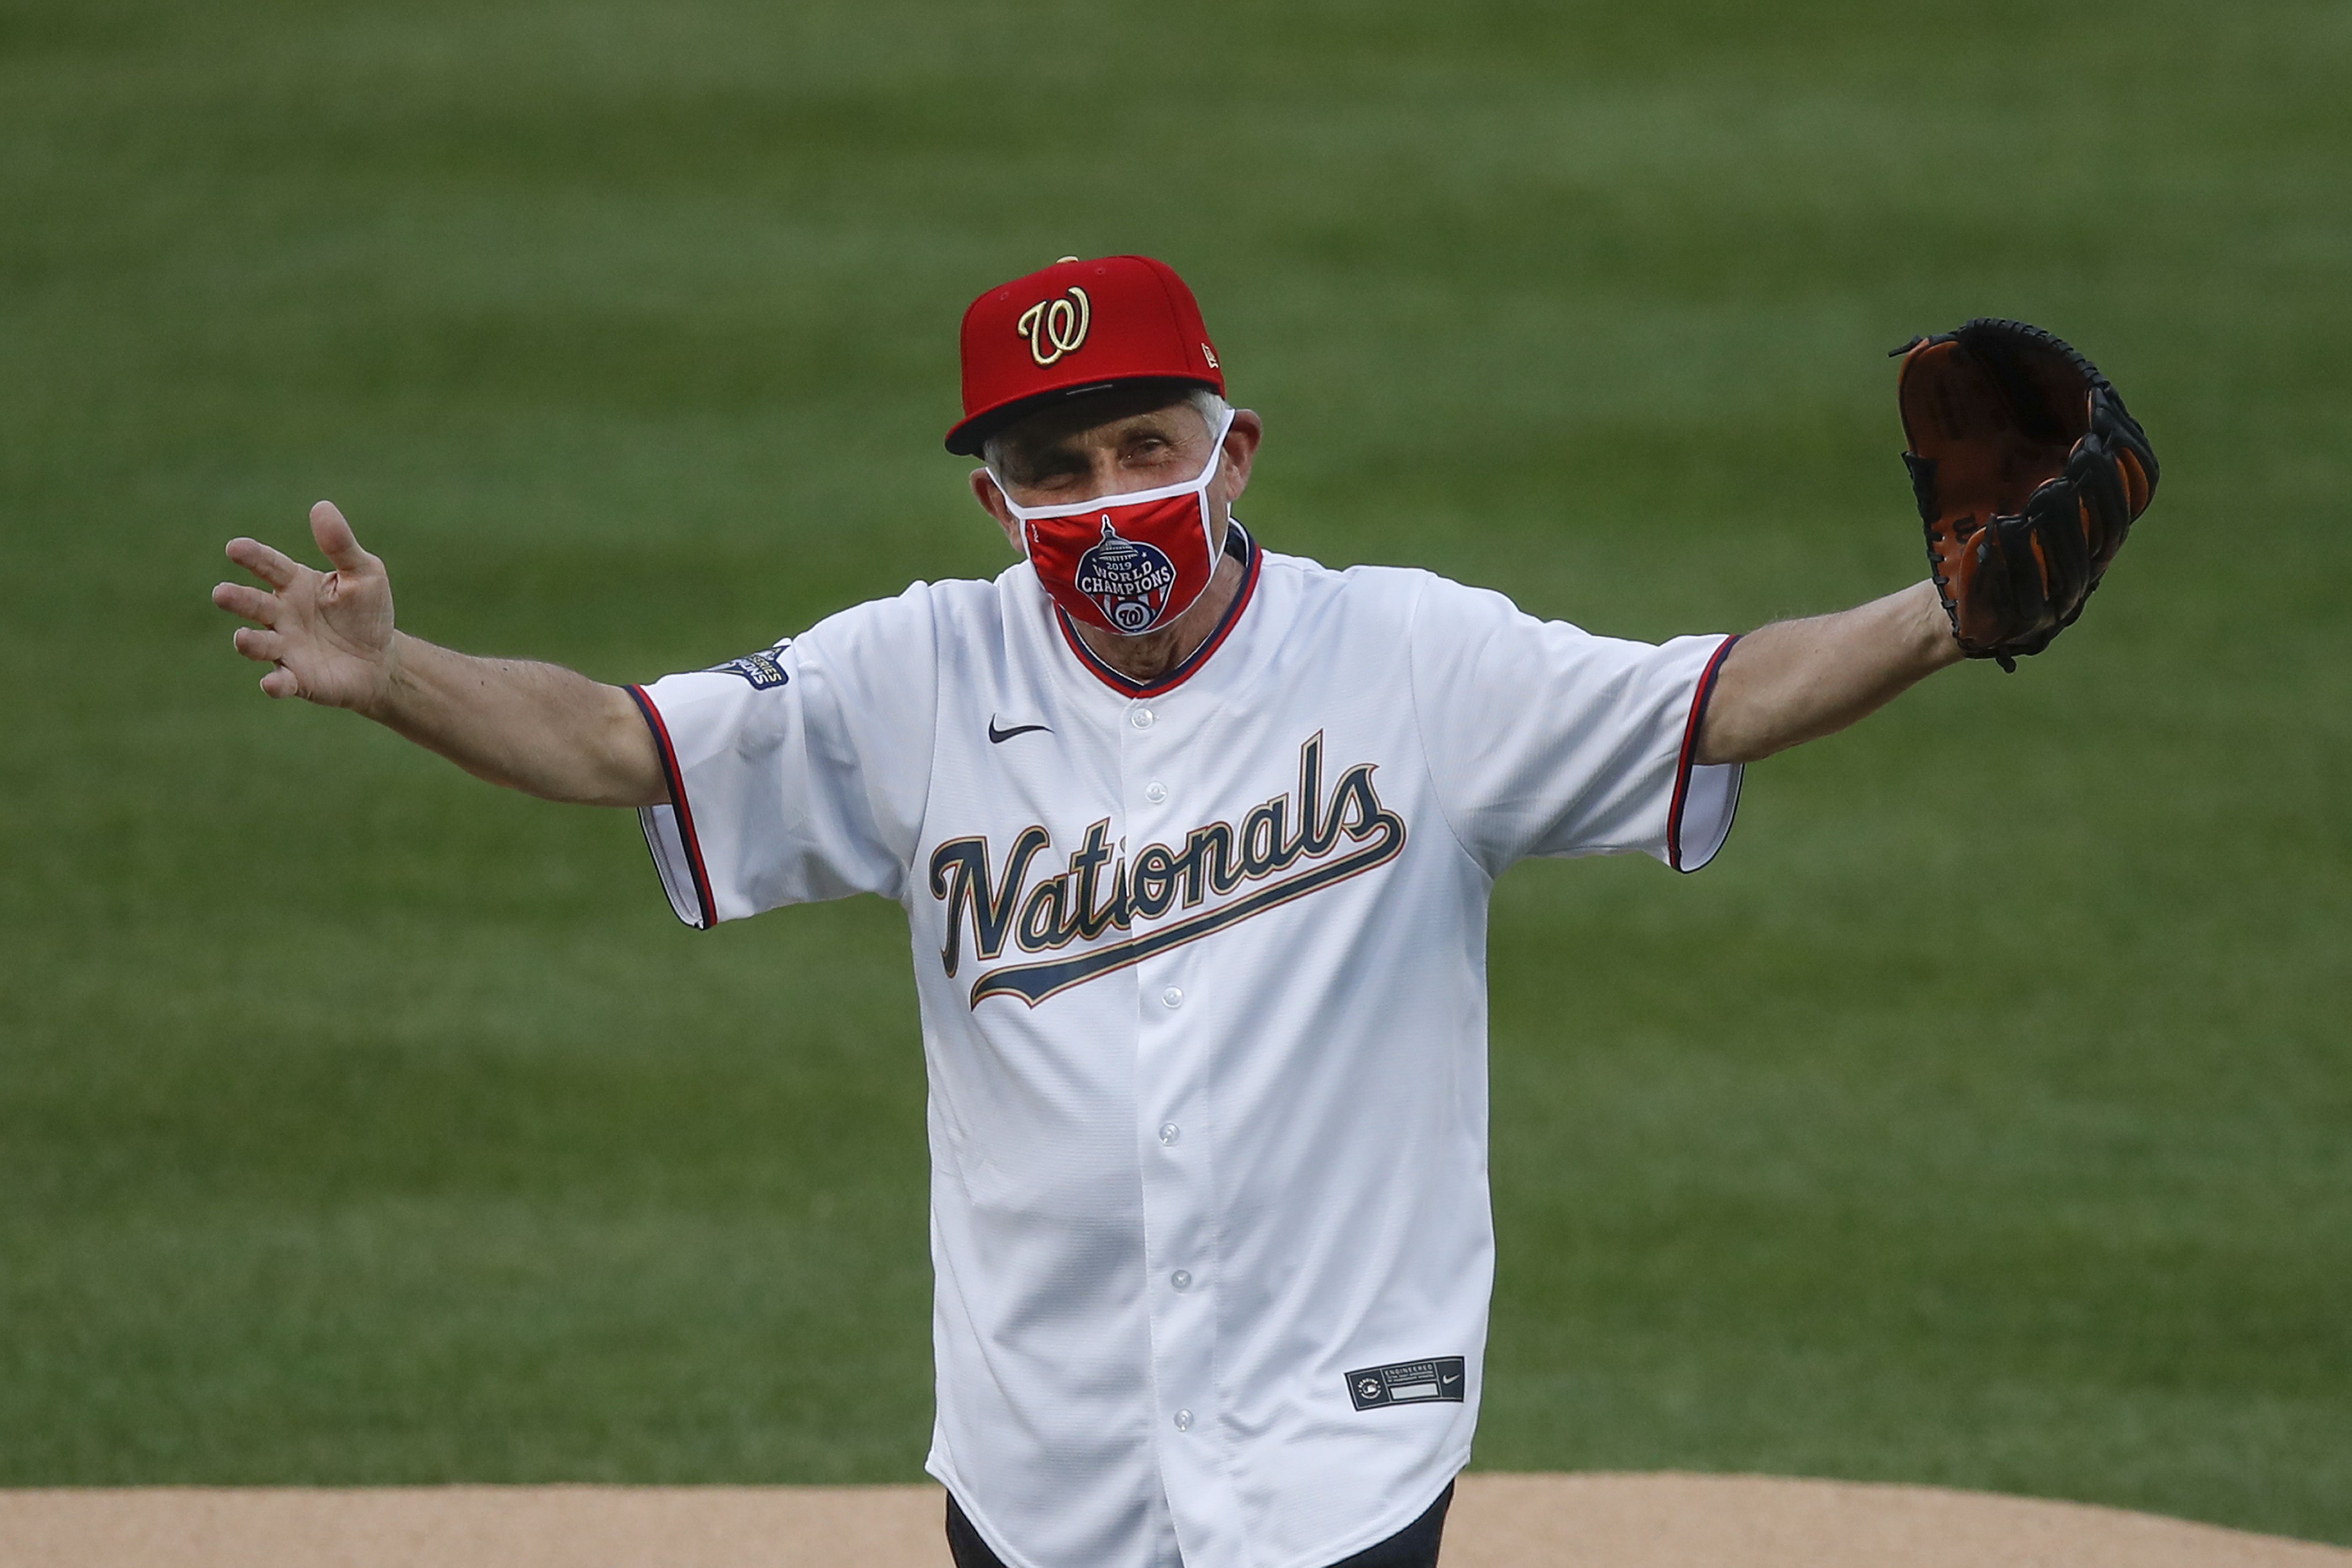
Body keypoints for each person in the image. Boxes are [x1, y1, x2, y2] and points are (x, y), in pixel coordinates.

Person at [213, 255, 1965, 1568]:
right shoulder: (909, 670)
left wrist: (1947, 611)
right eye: (1055, 469)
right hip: (1039, 1463)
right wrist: (395, 676)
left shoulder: (1412, 657)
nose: (1107, 497)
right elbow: (620, 742)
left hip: (1332, 1448)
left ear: (1235, 451)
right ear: (996, 499)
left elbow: (1715, 695)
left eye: (1145, 443)